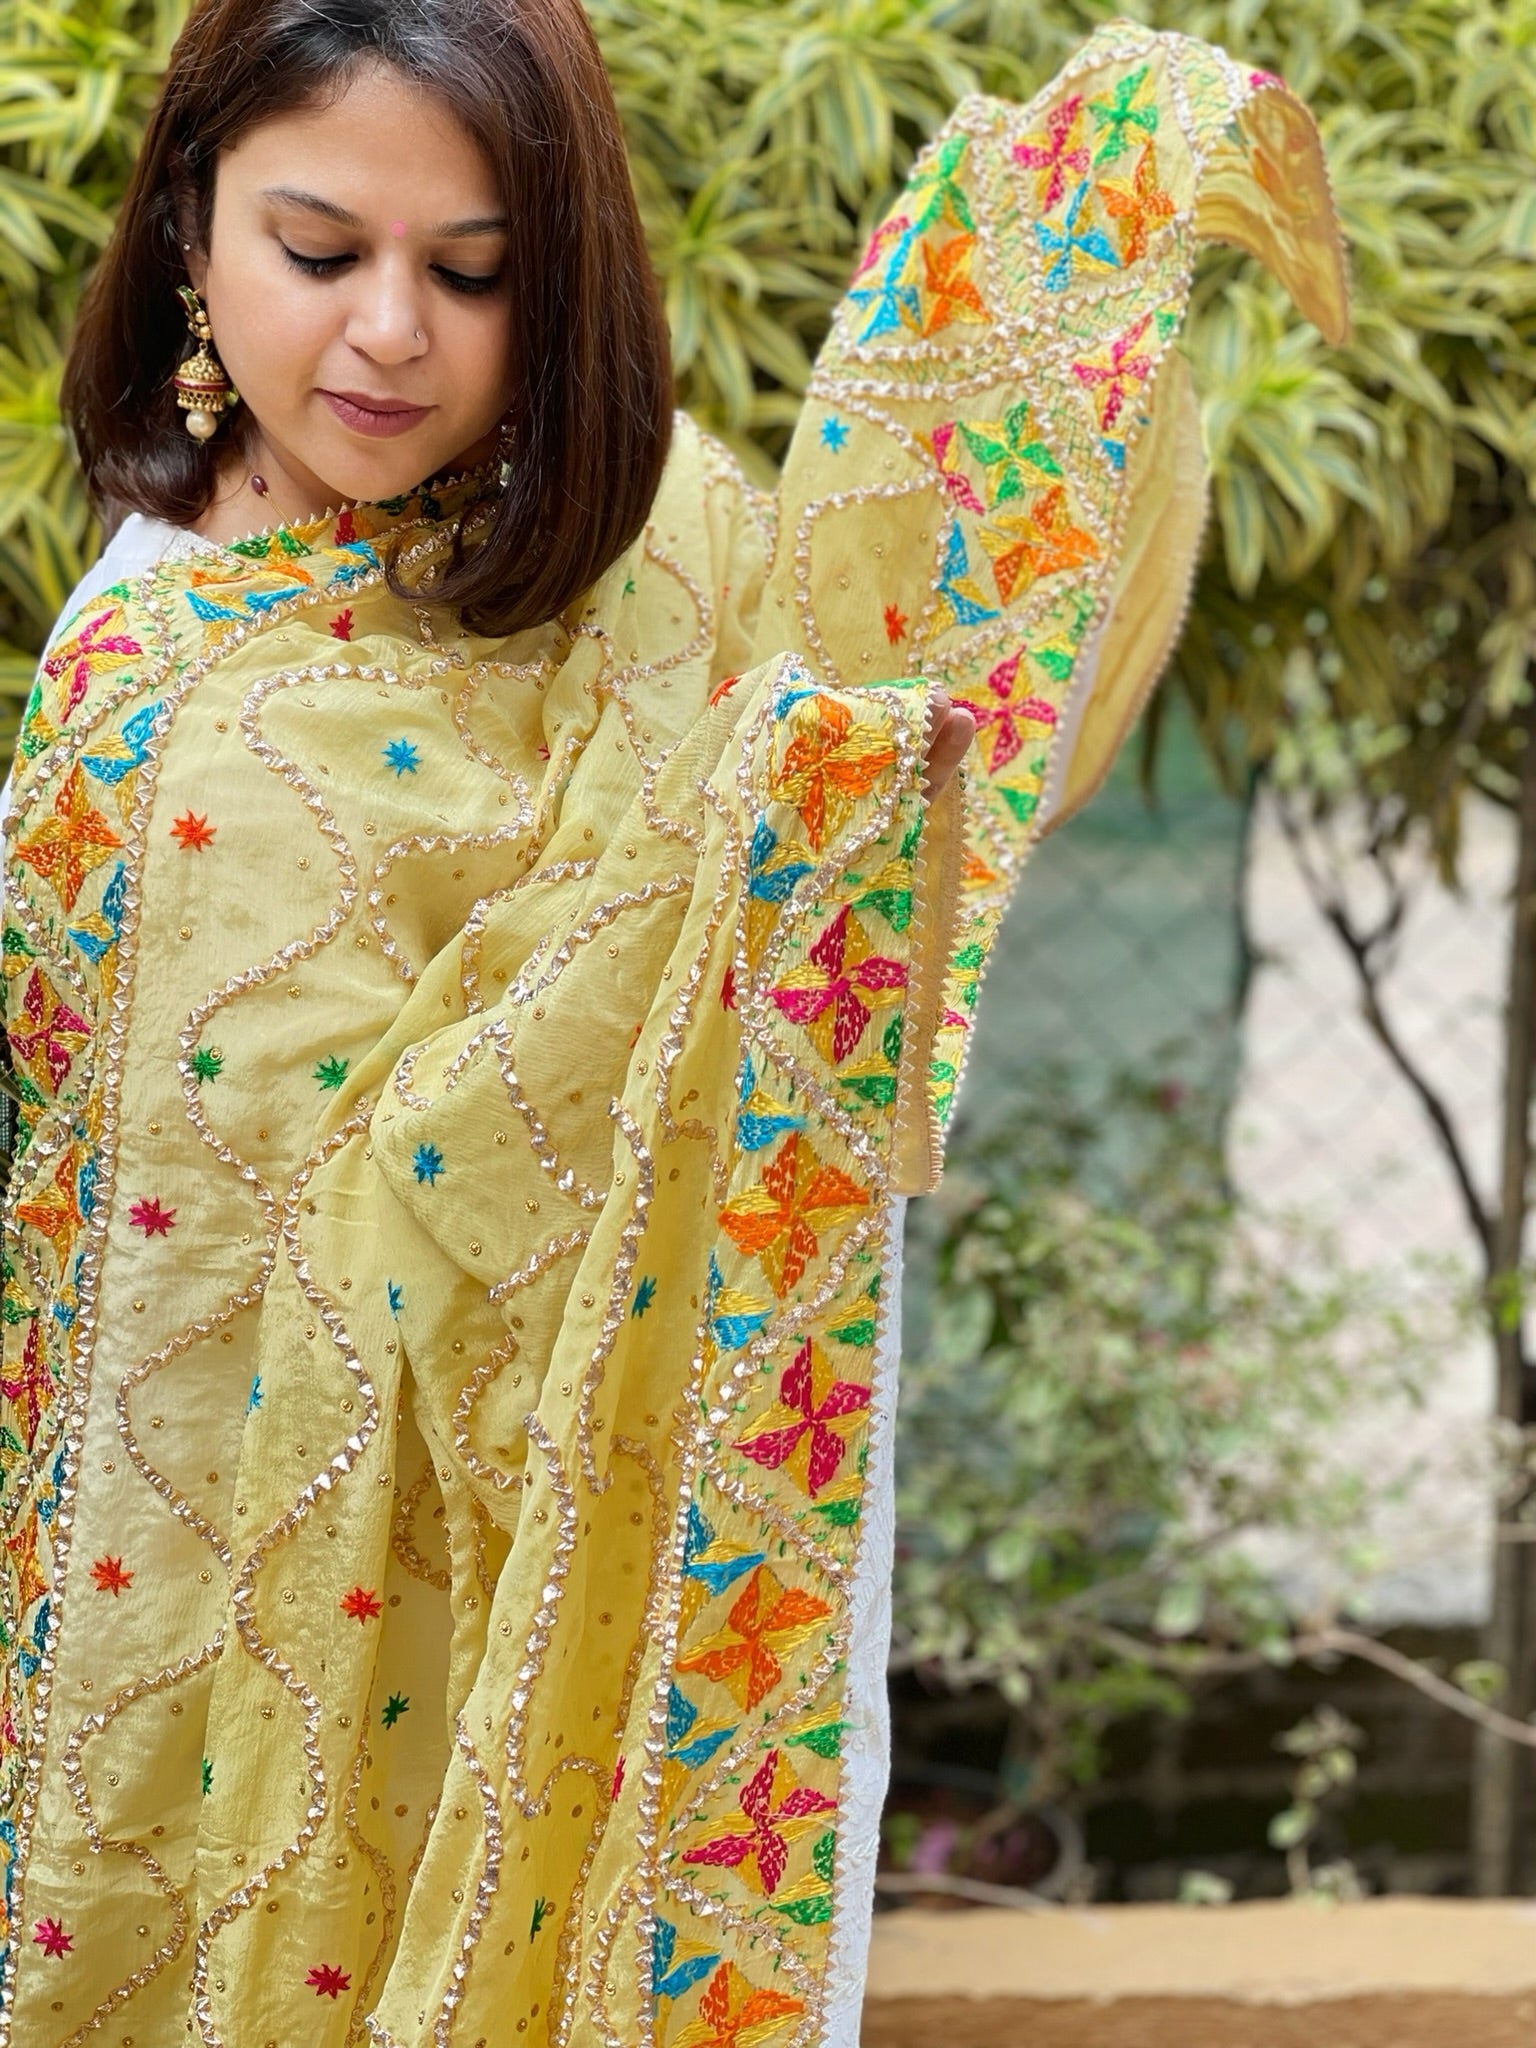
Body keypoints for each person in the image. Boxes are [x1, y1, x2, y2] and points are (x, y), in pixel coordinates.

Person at [0, 4, 1347, 2044]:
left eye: (474, 273)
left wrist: (821, 796)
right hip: (140, 1596)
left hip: (486, 1592)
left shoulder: (660, 568)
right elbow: (152, 1187)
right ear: (190, 231)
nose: (388, 334)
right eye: (318, 249)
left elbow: (823, 821)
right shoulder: (140, 657)